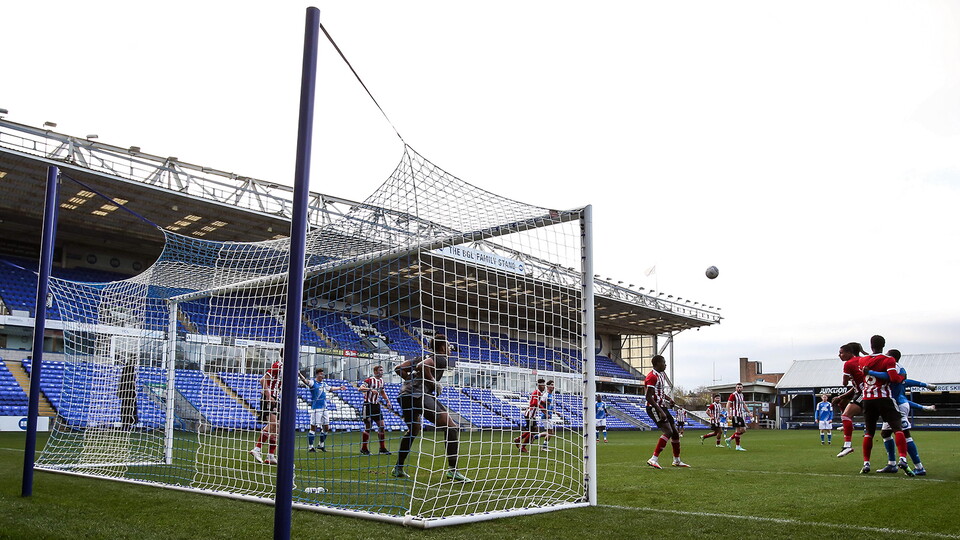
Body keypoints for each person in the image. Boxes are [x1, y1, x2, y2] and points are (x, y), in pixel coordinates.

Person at [391, 334, 470, 482]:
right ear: (442, 347)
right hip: (419, 395)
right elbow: (423, 366)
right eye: (448, 346)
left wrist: (412, 380)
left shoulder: (420, 357)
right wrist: (433, 382)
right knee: (451, 427)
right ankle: (453, 470)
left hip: (404, 395)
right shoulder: (440, 358)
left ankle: (398, 468)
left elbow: (398, 368)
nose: (450, 350)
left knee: (413, 430)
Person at [868, 348, 937, 476]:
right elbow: (906, 381)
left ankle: (919, 467)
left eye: (887, 355)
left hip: (897, 405)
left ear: (891, 357)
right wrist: (925, 385)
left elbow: (889, 377)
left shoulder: (893, 366)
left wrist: (870, 372)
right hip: (892, 404)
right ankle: (892, 464)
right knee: (885, 433)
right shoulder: (899, 368)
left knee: (905, 434)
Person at [856, 335, 913, 476]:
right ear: (884, 345)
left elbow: (866, 370)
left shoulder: (862, 360)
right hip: (884, 397)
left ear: (871, 345)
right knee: (898, 428)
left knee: (869, 433)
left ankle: (866, 463)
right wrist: (902, 377)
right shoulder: (889, 360)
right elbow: (893, 378)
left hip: (868, 399)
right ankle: (902, 459)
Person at [644, 355, 689, 468]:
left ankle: (677, 460)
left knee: (675, 432)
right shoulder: (652, 377)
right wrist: (660, 411)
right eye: (664, 362)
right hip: (654, 408)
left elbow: (659, 392)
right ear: (657, 363)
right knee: (668, 431)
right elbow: (648, 397)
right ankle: (653, 459)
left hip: (662, 406)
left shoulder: (662, 375)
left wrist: (669, 399)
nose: (665, 365)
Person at [299, 368, 347, 452]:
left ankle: (321, 445)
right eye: (321, 374)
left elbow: (331, 388)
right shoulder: (313, 382)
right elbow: (305, 381)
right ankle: (310, 447)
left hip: (325, 408)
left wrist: (339, 388)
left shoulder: (324, 384)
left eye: (323, 374)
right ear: (317, 374)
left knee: (326, 427)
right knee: (313, 427)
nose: (323, 376)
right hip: (316, 408)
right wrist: (299, 374)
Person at [833, 342, 867, 458]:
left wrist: (848, 378)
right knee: (842, 403)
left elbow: (844, 383)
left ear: (849, 353)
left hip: (865, 393)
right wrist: (841, 397)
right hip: (862, 392)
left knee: (846, 415)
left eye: (841, 353)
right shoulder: (863, 360)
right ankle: (848, 425)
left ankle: (847, 446)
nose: (839, 355)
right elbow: (855, 388)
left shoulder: (848, 364)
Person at [250, 353, 283, 465]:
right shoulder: (278, 365)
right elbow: (263, 379)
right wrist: (268, 396)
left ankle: (270, 456)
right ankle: (257, 449)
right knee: (273, 424)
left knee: (277, 427)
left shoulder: (286, 369)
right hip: (269, 398)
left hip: (276, 398)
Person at [358, 365, 393, 455]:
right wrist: (370, 389)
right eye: (380, 370)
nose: (382, 372)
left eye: (382, 370)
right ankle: (364, 448)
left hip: (376, 406)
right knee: (368, 427)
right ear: (375, 372)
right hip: (367, 405)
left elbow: (382, 392)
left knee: (382, 426)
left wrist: (388, 401)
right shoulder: (369, 380)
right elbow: (360, 388)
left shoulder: (381, 381)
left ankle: (382, 448)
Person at [515, 379, 547, 453]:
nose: (544, 387)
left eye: (544, 385)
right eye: (543, 385)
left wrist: (544, 403)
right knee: (533, 431)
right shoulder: (536, 392)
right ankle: (522, 447)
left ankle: (518, 439)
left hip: (531, 414)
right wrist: (543, 409)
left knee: (532, 430)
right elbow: (535, 403)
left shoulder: (539, 393)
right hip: (530, 414)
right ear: (539, 385)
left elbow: (538, 402)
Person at [725, 383, 748, 451]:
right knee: (738, 429)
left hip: (741, 414)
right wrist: (729, 413)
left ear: (742, 388)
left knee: (743, 430)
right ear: (736, 388)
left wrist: (749, 412)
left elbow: (743, 404)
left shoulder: (742, 395)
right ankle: (737, 446)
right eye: (738, 387)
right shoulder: (733, 395)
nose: (739, 388)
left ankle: (729, 439)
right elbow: (728, 404)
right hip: (735, 414)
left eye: (740, 387)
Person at [118, 358, 138, 429]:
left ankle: (126, 423)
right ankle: (129, 423)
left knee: (126, 409)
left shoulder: (125, 374)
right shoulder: (129, 374)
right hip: (129, 394)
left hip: (126, 394)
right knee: (129, 409)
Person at [538, 380, 556, 452]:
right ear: (548, 386)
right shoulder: (546, 395)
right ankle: (544, 447)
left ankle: (536, 436)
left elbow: (550, 406)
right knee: (550, 432)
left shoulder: (551, 395)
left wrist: (556, 412)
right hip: (545, 416)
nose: (553, 386)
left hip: (549, 415)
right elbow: (540, 404)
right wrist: (545, 413)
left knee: (550, 432)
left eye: (553, 385)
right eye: (551, 385)